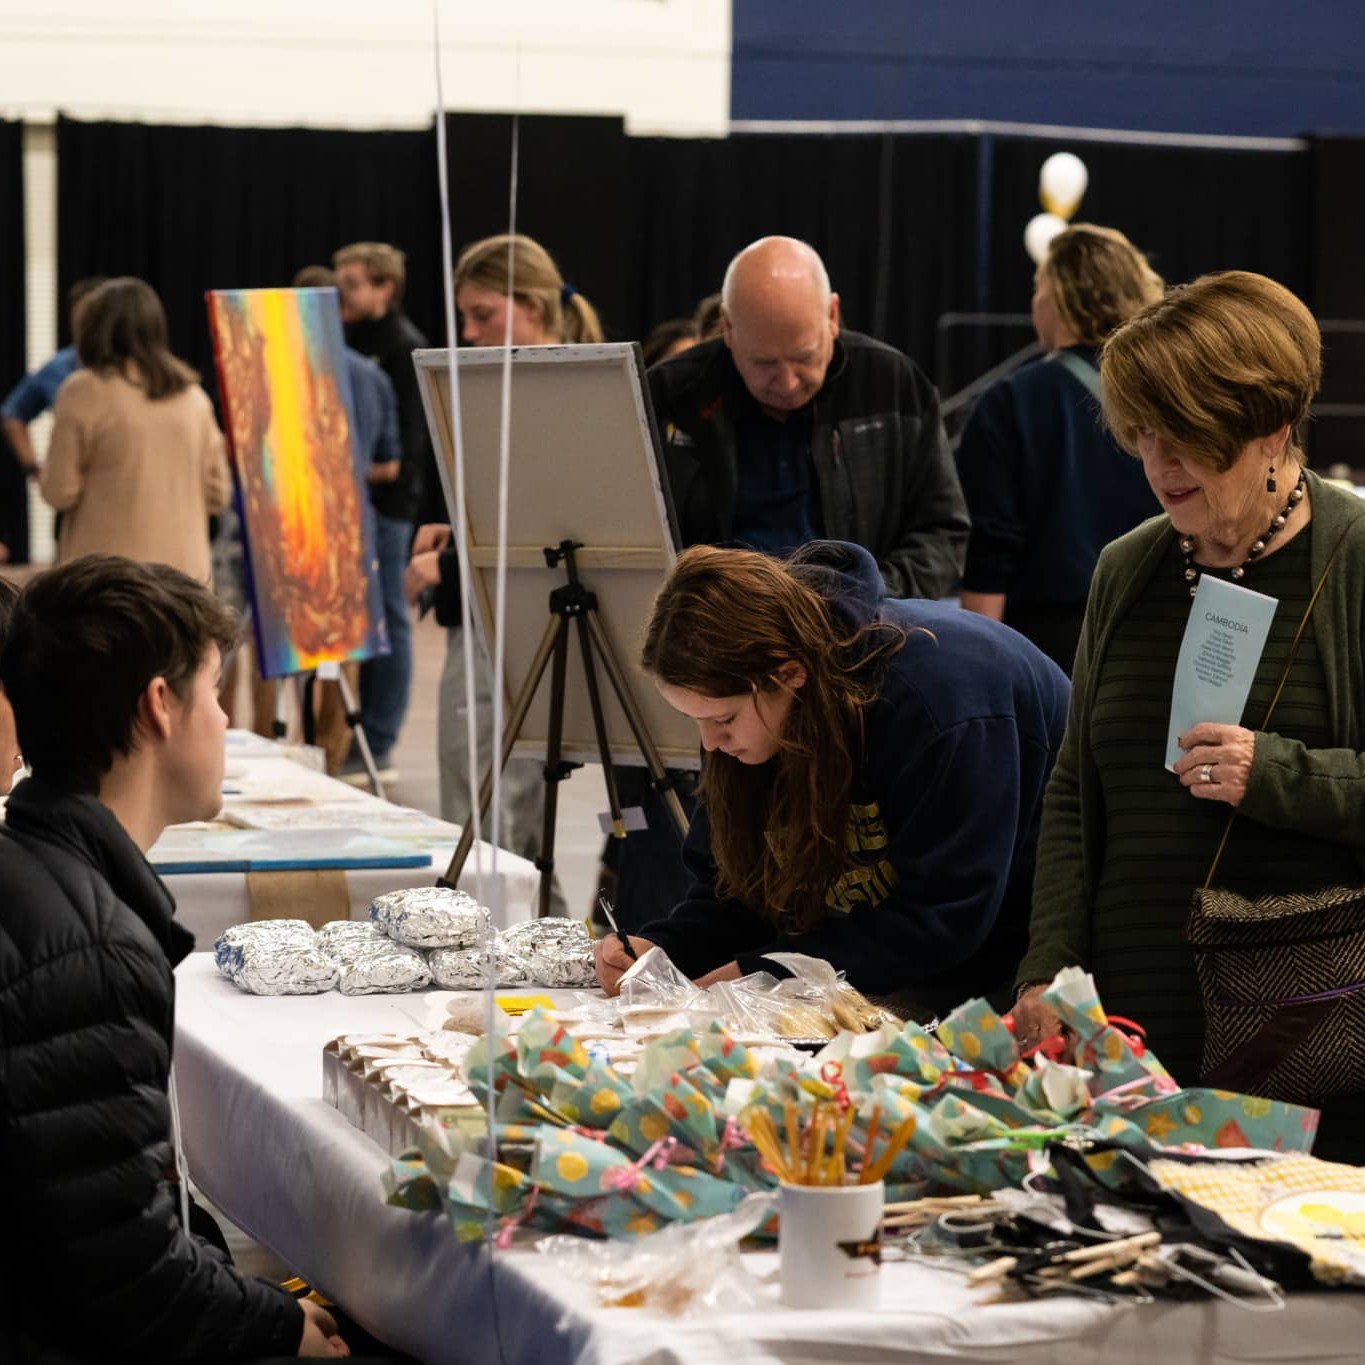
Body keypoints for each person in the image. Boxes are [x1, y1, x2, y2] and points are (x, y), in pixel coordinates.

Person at [1010, 272, 1365, 1161]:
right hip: (1133, 1046)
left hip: (1308, 1055)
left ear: (1271, 427)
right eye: (1141, 434)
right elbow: (1070, 793)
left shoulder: (1354, 558)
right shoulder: (1127, 570)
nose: (1157, 466)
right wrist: (1046, 968)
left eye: (1186, 440)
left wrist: (1277, 774)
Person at [0, 555, 349, 1360]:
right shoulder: (87, 951)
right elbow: (120, 1268)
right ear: (160, 705)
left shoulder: (43, 871)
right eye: (216, 692)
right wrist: (275, 1322)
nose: (226, 721)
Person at [617, 236, 972, 929]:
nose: (785, 379)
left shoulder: (892, 382)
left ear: (833, 316)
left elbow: (941, 532)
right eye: (762, 363)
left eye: (804, 357)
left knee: (837, 870)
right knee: (693, 864)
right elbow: (627, 541)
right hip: (711, 673)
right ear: (725, 330)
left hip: (851, 670)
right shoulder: (668, 398)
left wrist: (857, 619)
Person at [593, 539, 1069, 1018]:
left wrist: (767, 973)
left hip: (1026, 956)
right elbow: (738, 895)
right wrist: (664, 949)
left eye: (722, 719)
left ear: (790, 674)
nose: (712, 743)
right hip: (893, 947)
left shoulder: (940, 701)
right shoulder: (750, 707)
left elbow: (942, 919)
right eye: (695, 720)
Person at [405, 233, 603, 908]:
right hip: (493, 619)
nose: (468, 331)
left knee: (492, 818)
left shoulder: (554, 386)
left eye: (483, 314)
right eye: (464, 316)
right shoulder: (516, 380)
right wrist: (456, 533)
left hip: (519, 626)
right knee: (484, 808)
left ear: (532, 304)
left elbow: (548, 527)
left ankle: (517, 954)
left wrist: (449, 561)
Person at [958, 225, 1165, 673]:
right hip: (1166, 628)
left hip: (1049, 646)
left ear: (1061, 298)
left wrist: (983, 669)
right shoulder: (1172, 394)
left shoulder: (1010, 403)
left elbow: (990, 552)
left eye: (1038, 287)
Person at [292, 264, 406, 778]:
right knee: (343, 647)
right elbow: (390, 461)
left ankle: (295, 744)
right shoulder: (370, 374)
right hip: (349, 523)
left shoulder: (276, 370)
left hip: (292, 522)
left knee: (288, 643)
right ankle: (335, 754)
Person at [40, 277, 231, 582]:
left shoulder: (83, 391)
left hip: (104, 581)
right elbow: (218, 494)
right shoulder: (193, 396)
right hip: (184, 581)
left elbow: (59, 491)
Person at [333, 241, 430, 779]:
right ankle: (355, 732)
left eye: (352, 283)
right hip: (357, 503)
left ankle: (380, 739)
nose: (341, 293)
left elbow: (407, 450)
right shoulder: (348, 341)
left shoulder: (401, 348)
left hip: (389, 508)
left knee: (389, 618)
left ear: (384, 288)